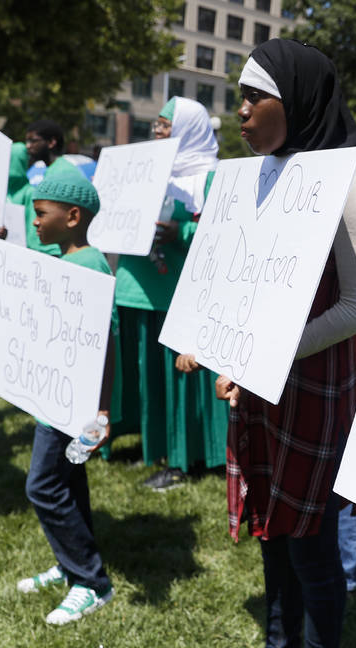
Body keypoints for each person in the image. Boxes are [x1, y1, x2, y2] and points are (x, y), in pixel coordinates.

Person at [182, 39, 356, 648]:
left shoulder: (345, 180)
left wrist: (266, 350)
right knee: (273, 529)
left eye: (253, 97)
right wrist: (223, 346)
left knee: (312, 547)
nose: (238, 112)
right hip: (266, 385)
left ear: (295, 101)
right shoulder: (257, 178)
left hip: (317, 387)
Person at [8, 168, 117, 625]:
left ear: (72, 216)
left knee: (43, 485)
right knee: (69, 483)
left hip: (73, 405)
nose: (34, 222)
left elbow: (106, 340)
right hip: (54, 394)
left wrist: (103, 408)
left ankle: (90, 582)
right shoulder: (67, 262)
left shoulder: (89, 266)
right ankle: (70, 559)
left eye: (40, 213)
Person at [111, 96, 227, 491]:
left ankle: (183, 458)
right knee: (143, 374)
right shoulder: (144, 169)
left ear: (188, 130)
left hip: (178, 294)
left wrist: (182, 233)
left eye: (165, 125)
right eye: (157, 125)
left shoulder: (210, 178)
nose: (157, 132)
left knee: (177, 380)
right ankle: (144, 442)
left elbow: (224, 234)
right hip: (135, 287)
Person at [7, 119, 77, 256]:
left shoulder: (64, 173)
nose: (28, 146)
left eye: (33, 141)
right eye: (27, 141)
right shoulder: (51, 170)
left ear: (51, 142)